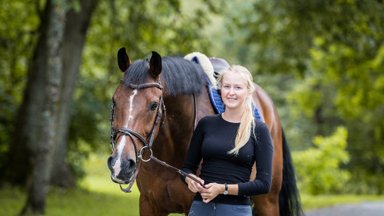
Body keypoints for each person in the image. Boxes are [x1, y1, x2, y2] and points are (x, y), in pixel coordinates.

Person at [180, 65, 274, 216]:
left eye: (237, 87)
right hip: (200, 208)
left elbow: (264, 184)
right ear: (220, 90)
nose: (231, 92)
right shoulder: (206, 124)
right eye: (226, 86)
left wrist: (222, 188)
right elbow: (186, 168)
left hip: (236, 211)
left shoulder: (259, 130)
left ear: (248, 91)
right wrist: (189, 179)